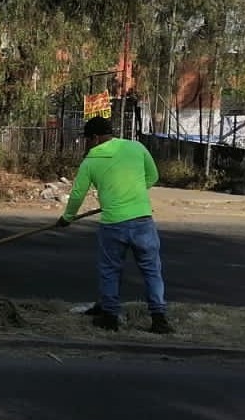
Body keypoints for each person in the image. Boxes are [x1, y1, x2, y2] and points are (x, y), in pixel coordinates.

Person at [58, 116, 173, 334]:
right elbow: (153, 176)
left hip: (113, 224)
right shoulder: (136, 148)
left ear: (95, 137)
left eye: (88, 140)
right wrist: (132, 193)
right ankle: (159, 318)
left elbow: (77, 195)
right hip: (142, 221)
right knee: (151, 271)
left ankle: (110, 317)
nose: (88, 144)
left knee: (110, 270)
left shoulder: (90, 161)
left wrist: (68, 218)